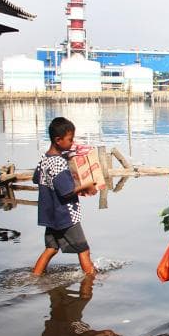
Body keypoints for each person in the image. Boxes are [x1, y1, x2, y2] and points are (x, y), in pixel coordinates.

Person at [32, 117, 97, 276]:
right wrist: (87, 186)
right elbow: (66, 191)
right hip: (66, 216)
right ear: (58, 140)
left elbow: (35, 178)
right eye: (70, 139)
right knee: (84, 250)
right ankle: (90, 282)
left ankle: (35, 277)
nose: (72, 143)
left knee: (51, 249)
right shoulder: (59, 163)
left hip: (51, 215)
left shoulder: (45, 159)